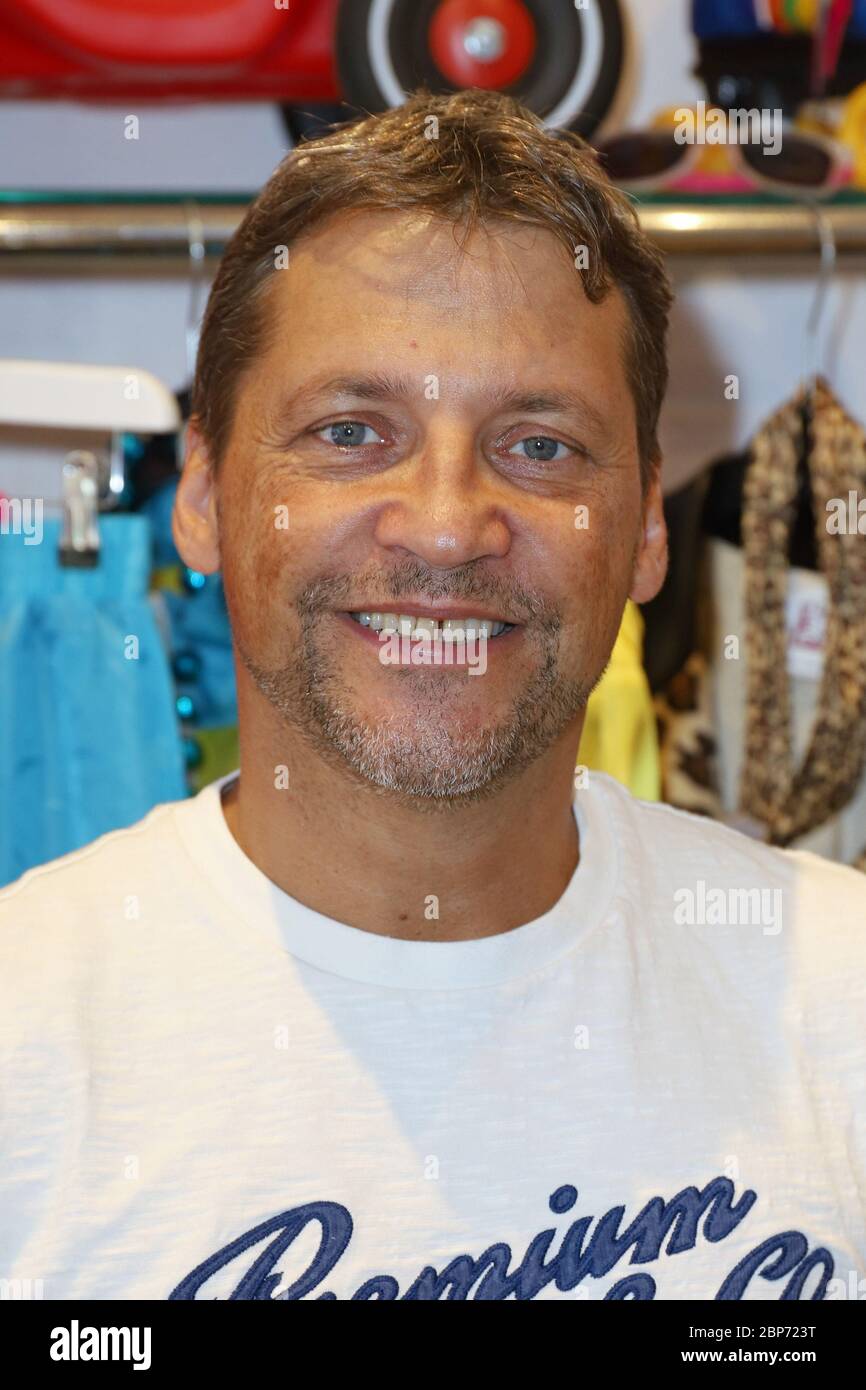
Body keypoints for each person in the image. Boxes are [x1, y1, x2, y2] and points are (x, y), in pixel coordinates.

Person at [1, 88, 863, 1303]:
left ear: (644, 529)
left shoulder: (842, 1003)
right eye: (351, 431)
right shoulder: (23, 1045)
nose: (450, 526)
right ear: (198, 492)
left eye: (540, 443)